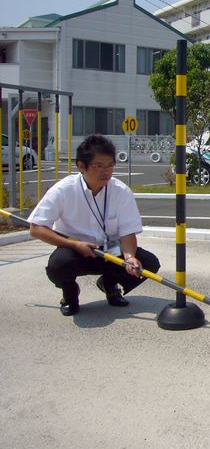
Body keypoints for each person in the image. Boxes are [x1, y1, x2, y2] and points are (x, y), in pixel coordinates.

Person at [28, 134, 160, 316]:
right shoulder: (64, 189)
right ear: (81, 166)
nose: (106, 172)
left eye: (110, 166)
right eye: (99, 166)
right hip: (74, 249)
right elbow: (36, 228)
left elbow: (128, 232)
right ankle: (70, 294)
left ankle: (109, 284)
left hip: (110, 249)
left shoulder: (121, 191)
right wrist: (74, 244)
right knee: (59, 264)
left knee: (149, 263)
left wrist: (129, 257)